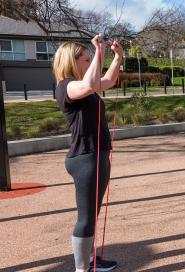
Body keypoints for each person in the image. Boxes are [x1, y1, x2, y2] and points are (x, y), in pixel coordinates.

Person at [53, 35, 122, 272]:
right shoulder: (66, 86)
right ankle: (81, 268)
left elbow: (109, 81)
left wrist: (118, 57)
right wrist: (100, 51)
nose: (90, 61)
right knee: (86, 217)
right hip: (85, 158)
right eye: (86, 58)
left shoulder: (86, 87)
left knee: (92, 214)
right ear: (71, 62)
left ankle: (90, 260)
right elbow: (92, 83)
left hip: (96, 155)